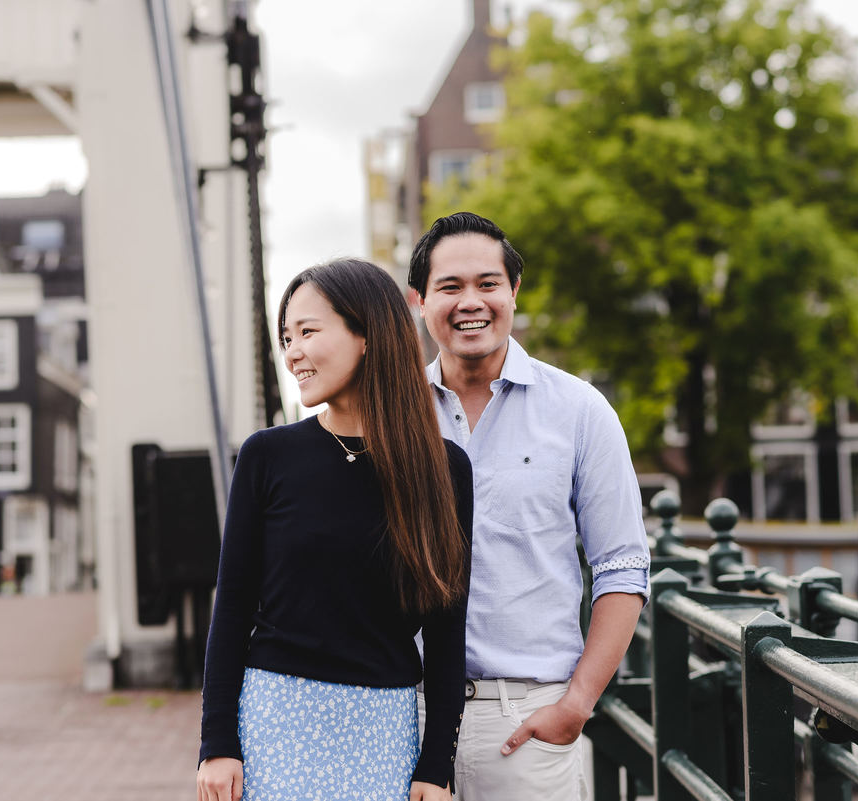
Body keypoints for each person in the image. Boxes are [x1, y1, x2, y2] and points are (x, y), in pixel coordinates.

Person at [197, 258, 474, 801]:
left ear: (366, 334)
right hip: (274, 720)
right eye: (286, 337)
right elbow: (230, 608)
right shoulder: (267, 456)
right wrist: (216, 743)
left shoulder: (444, 469)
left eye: (307, 331)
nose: (292, 351)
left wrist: (436, 765)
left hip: (383, 729)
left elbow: (447, 632)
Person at [408, 212, 651, 799]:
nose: (472, 302)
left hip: (526, 719)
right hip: (405, 719)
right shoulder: (395, 416)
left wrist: (576, 705)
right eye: (450, 287)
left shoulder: (580, 411)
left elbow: (622, 567)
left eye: (488, 284)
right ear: (420, 301)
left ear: (514, 291)